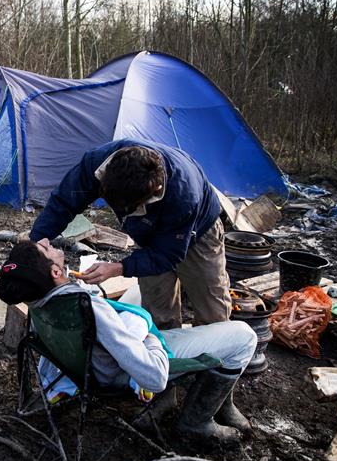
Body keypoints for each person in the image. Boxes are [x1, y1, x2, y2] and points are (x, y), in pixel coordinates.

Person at [0, 239, 257, 442]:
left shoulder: (41, 300)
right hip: (116, 371)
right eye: (45, 248)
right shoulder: (92, 310)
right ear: (55, 271)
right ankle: (196, 421)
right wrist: (150, 337)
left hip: (87, 358)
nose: (47, 242)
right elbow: (153, 376)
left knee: (136, 289)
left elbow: (97, 314)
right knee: (244, 336)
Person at [30, 139, 229, 330]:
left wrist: (119, 268)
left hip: (199, 233)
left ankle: (214, 357)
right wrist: (36, 244)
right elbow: (64, 202)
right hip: (148, 233)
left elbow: (167, 254)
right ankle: (165, 355)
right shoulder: (99, 162)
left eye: (127, 208)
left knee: (212, 310)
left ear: (155, 191)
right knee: (157, 310)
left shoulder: (184, 196)